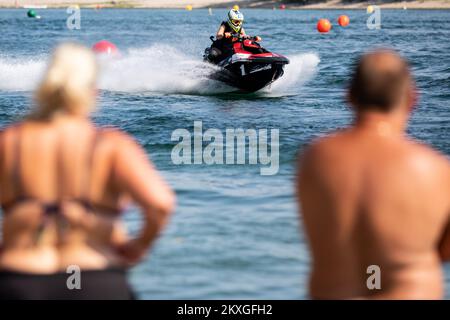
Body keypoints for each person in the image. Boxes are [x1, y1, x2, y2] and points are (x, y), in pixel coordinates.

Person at [0, 43, 175, 299]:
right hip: (94, 278)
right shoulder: (111, 145)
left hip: (21, 278)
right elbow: (160, 204)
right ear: (93, 91)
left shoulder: (10, 142)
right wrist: (140, 245)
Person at [296, 49, 450, 299]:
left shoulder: (314, 159)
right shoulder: (435, 169)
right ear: (412, 99)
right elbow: (444, 252)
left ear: (349, 96)